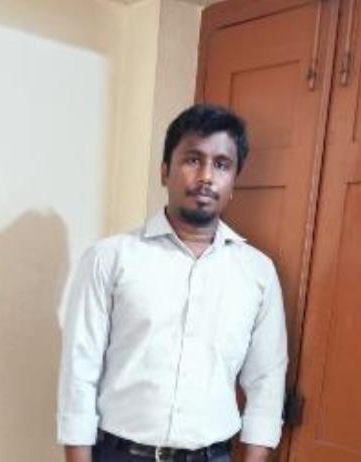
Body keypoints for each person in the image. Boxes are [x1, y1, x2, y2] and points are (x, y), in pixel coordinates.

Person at [56, 104, 288, 462]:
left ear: (233, 183)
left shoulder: (257, 273)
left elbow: (266, 382)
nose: (206, 177)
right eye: (193, 160)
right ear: (165, 171)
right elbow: (79, 372)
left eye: (222, 164)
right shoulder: (110, 259)